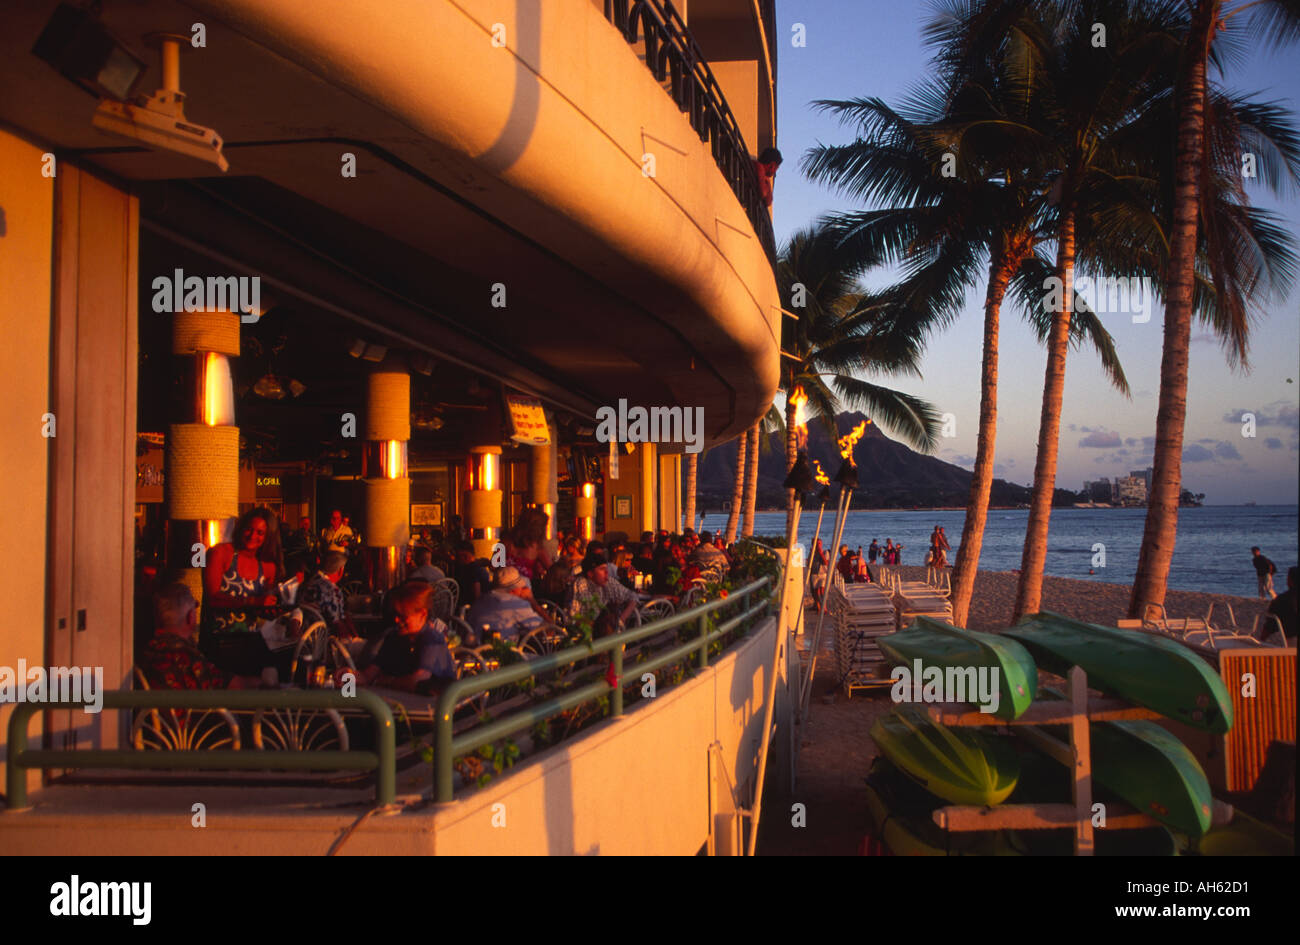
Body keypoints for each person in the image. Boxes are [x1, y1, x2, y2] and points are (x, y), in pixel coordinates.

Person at [200, 507, 284, 675]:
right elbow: (213, 598)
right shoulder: (221, 553)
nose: (253, 536)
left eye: (260, 533)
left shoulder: (268, 566)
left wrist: (271, 610)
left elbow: (262, 610)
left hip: (251, 639)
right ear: (241, 528)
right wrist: (253, 602)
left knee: (275, 674)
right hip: (219, 639)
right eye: (249, 529)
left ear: (268, 537)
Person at [141, 583, 261, 690]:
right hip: (194, 714)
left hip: (159, 714)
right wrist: (265, 683)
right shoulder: (185, 655)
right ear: (190, 617)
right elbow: (230, 685)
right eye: (195, 609)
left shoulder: (150, 649)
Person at [354, 581, 456, 693]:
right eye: (396, 615)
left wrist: (389, 681)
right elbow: (368, 675)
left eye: (403, 616)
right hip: (402, 703)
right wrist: (348, 676)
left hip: (434, 706)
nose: (397, 620)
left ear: (422, 614)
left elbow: (418, 680)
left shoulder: (432, 639)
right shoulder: (394, 637)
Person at [465, 567, 547, 644]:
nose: (523, 589)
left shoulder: (482, 598)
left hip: (473, 652)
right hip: (501, 654)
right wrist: (533, 602)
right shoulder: (516, 604)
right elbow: (549, 633)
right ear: (513, 590)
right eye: (521, 587)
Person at [298, 551, 358, 639]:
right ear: (340, 570)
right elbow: (336, 623)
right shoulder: (331, 589)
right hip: (326, 640)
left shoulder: (309, 582)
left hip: (307, 636)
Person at [570, 551, 637, 629]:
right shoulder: (581, 584)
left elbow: (633, 596)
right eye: (602, 569)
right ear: (590, 574)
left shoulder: (608, 582)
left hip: (606, 632)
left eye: (606, 568)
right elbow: (574, 618)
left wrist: (621, 620)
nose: (607, 572)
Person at [1262, 567, 1297, 644]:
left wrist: (1261, 640)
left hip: (1293, 638)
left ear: (1290, 580)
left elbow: (1270, 625)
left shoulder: (1283, 600)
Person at [452, 540, 492, 605]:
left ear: (465, 556)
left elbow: (477, 595)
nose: (456, 559)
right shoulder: (479, 567)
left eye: (457, 556)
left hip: (473, 607)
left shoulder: (472, 569)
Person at [754, 146, 782, 211]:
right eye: (776, 168)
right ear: (772, 165)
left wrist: (768, 182)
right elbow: (763, 193)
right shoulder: (759, 166)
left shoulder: (764, 177)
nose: (775, 172)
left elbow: (769, 201)